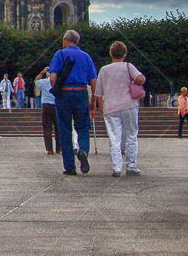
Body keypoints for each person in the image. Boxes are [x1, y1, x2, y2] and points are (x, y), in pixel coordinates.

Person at [49, 29, 98, 175]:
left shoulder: (60, 54)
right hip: (81, 92)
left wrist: (56, 89)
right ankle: (83, 150)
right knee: (83, 127)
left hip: (64, 93)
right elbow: (94, 81)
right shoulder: (86, 56)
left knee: (64, 129)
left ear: (65, 40)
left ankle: (70, 167)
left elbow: (52, 78)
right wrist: (93, 99)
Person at [94, 41, 146, 176]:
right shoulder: (129, 66)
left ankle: (117, 167)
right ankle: (131, 166)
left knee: (114, 137)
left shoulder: (104, 70)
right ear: (124, 53)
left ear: (111, 53)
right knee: (131, 135)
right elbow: (141, 79)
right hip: (130, 105)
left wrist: (101, 108)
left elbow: (99, 92)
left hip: (111, 108)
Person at [35, 67, 60, 155]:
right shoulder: (58, 82)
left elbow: (36, 80)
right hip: (56, 105)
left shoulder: (44, 82)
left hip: (46, 105)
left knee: (47, 128)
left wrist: (42, 72)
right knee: (58, 128)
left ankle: (49, 149)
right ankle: (59, 148)